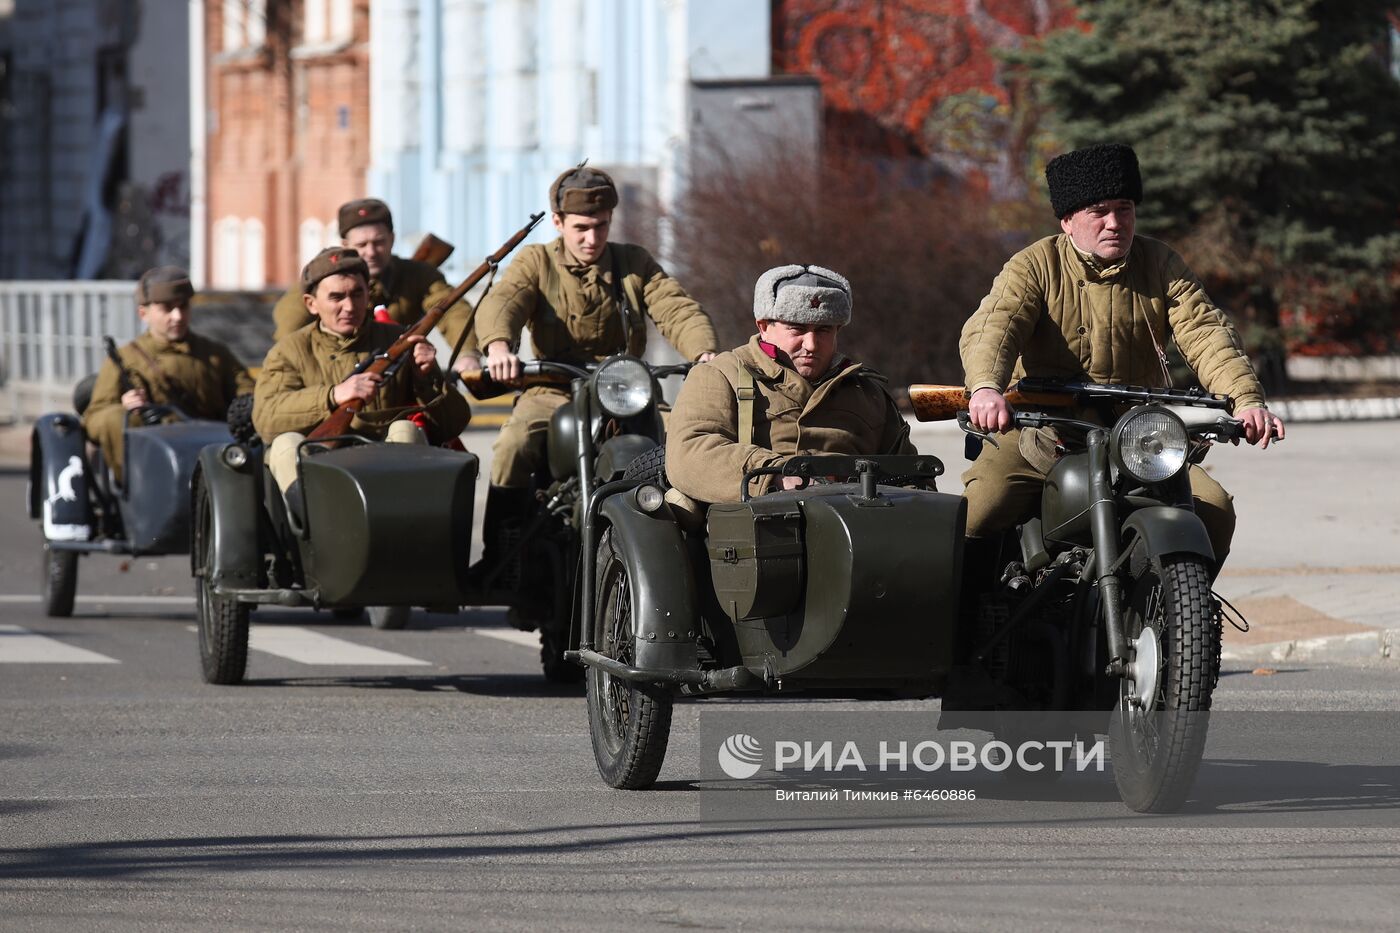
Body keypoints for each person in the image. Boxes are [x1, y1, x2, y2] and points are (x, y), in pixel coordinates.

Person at [959, 142, 1286, 568]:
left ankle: (1183, 617)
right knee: (981, 507)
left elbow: (1206, 333)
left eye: (1125, 208)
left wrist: (1246, 400)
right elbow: (994, 327)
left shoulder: (1161, 264)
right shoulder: (1035, 265)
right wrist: (986, 389)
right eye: (1099, 211)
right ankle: (970, 623)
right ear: (1068, 221)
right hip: (1039, 431)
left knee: (1214, 510)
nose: (1115, 223)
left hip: (1139, 438)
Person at [472, 164, 719, 577]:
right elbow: (505, 301)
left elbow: (676, 307)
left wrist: (705, 352)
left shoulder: (633, 263)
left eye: (601, 226)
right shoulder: (536, 262)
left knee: (687, 441)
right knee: (514, 444)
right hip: (552, 389)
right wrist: (499, 345)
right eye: (581, 228)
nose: (592, 238)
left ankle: (696, 555)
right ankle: (502, 550)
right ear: (558, 222)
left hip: (627, 392)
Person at [667, 264, 916, 505]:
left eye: (823, 330)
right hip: (760, 525)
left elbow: (910, 476)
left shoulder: (867, 392)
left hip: (858, 528)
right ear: (764, 327)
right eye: (796, 329)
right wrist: (774, 475)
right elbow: (689, 453)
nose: (811, 344)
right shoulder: (722, 375)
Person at [253, 247, 471, 496]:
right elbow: (266, 418)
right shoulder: (289, 350)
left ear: (369, 294)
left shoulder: (399, 341)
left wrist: (428, 376)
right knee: (285, 444)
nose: (349, 306)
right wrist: (332, 396)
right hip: (317, 462)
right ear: (311, 304)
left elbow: (453, 424)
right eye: (336, 297)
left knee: (406, 431)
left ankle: (402, 526)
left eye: (357, 294)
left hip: (385, 465)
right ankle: (315, 530)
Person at [82, 266, 254, 484]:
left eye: (183, 307)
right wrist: (125, 409)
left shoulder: (215, 354)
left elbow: (248, 394)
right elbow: (95, 417)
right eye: (167, 308)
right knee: (115, 419)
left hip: (214, 457)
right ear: (143, 314)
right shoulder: (125, 360)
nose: (178, 316)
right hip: (153, 470)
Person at [271, 198, 481, 373]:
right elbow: (289, 336)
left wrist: (467, 355)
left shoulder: (417, 275)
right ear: (345, 245)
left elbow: (452, 310)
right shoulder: (320, 282)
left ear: (392, 239)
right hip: (334, 377)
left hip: (399, 376)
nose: (371, 252)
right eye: (361, 245)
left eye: (379, 242)